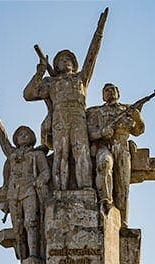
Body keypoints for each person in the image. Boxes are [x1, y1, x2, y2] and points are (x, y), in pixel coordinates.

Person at [24, 8, 108, 191]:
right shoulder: (51, 82)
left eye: (68, 59)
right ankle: (60, 191)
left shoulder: (81, 78)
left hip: (78, 117)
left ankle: (86, 189)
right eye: (60, 60)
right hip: (60, 118)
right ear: (56, 65)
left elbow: (92, 57)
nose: (65, 62)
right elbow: (29, 94)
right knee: (61, 154)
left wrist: (99, 31)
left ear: (74, 63)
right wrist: (40, 71)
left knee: (81, 152)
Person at [0, 88, 50, 259]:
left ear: (32, 137)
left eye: (26, 133)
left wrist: (40, 181)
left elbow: (46, 172)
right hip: (14, 193)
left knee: (31, 223)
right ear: (16, 139)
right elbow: (1, 135)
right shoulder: (11, 154)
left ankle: (34, 255)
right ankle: (24, 259)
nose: (22, 136)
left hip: (30, 191)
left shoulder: (37, 154)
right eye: (19, 134)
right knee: (18, 227)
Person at [86, 83, 144, 224]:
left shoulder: (128, 110)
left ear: (118, 93)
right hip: (104, 146)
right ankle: (106, 201)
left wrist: (137, 118)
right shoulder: (96, 112)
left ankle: (122, 221)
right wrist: (101, 133)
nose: (110, 92)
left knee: (123, 186)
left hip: (122, 147)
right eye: (106, 90)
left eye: (113, 89)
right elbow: (88, 134)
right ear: (102, 95)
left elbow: (138, 131)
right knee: (104, 164)